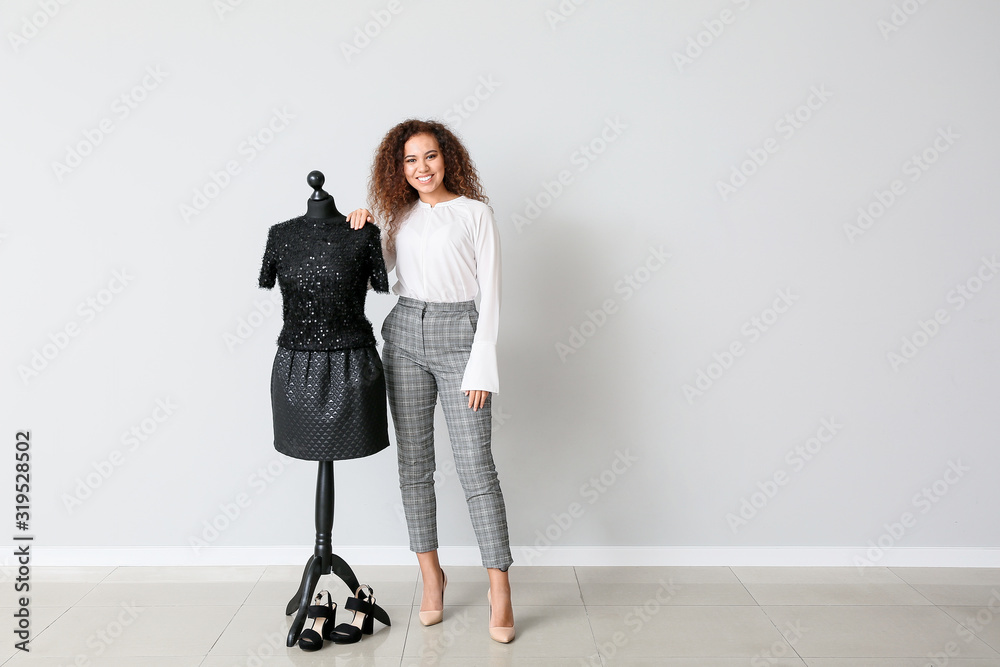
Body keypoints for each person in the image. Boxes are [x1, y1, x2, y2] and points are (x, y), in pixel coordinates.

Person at [347, 119, 514, 643]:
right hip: (403, 334)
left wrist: (482, 363)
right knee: (415, 465)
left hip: (460, 336)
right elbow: (377, 275)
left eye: (430, 156)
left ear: (448, 159)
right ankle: (431, 576)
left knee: (475, 466)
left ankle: (500, 588)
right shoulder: (399, 218)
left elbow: (491, 292)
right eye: (410, 160)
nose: (422, 168)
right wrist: (363, 229)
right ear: (398, 169)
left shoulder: (474, 213)